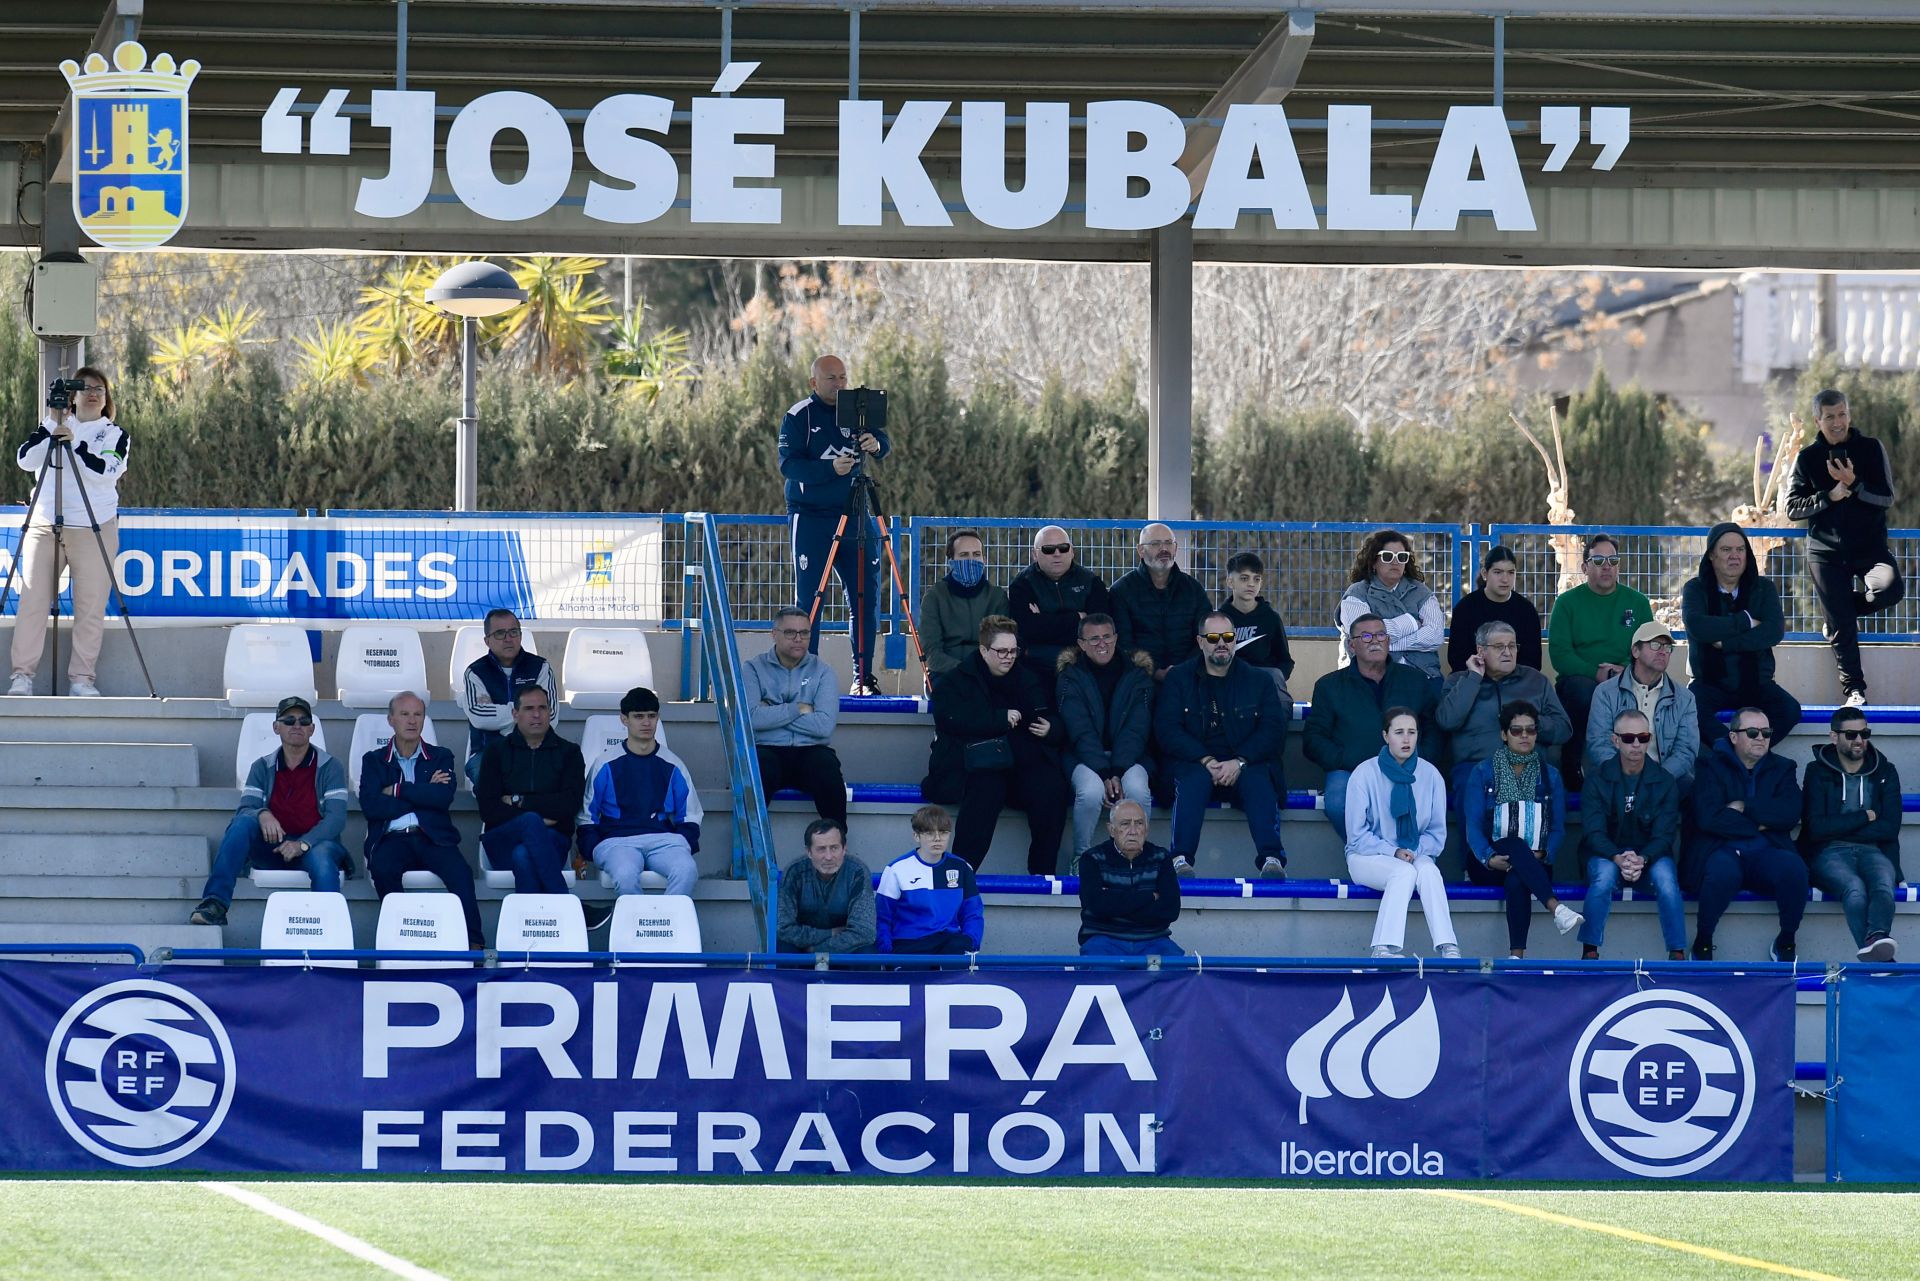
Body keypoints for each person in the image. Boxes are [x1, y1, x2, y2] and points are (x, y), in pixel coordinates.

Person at [10, 366, 128, 697]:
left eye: (99, 389)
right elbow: (25, 460)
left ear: (106, 400)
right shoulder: (54, 426)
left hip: (94, 526)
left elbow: (106, 470)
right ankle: (22, 676)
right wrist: (52, 422)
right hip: (44, 523)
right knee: (32, 600)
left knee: (90, 605)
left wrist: (74, 445)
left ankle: (81, 679)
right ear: (72, 397)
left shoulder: (115, 434)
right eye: (84, 387)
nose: (92, 393)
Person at [1785, 389, 1905, 706]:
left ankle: (1839, 614)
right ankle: (1854, 690)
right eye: (1830, 417)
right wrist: (1830, 496)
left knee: (1890, 590)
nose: (1837, 422)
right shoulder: (1807, 458)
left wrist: (1855, 486)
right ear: (1817, 420)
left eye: (1842, 414)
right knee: (1844, 628)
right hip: (1825, 554)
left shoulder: (1870, 449)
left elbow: (1886, 497)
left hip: (1870, 550)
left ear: (1848, 414)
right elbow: (1793, 508)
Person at [922, 616, 1069, 874]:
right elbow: (950, 720)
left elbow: (1051, 718)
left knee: (1051, 788)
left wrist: (1051, 729)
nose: (1009, 657)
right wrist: (999, 719)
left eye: (1013, 651)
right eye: (1001, 651)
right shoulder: (957, 681)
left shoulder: (1027, 678)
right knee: (986, 787)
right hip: (971, 765)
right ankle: (961, 874)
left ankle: (1042, 874)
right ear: (983, 650)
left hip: (1019, 765)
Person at [779, 353, 890, 695]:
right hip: (811, 518)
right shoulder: (799, 415)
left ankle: (863, 678)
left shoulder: (857, 407)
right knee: (811, 599)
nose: (840, 383)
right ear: (814, 382)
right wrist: (830, 469)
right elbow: (788, 465)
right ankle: (804, 679)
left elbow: (883, 443)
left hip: (856, 515)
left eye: (843, 376)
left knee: (864, 597)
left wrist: (876, 444)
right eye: (831, 378)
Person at [189, 695, 347, 927]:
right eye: (289, 720)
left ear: (312, 729)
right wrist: (262, 813)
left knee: (323, 859)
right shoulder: (261, 766)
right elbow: (245, 809)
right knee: (242, 824)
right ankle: (215, 904)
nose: (297, 726)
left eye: (304, 721)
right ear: (276, 727)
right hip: (272, 847)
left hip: (315, 846)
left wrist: (302, 844)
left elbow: (336, 819)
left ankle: (332, 931)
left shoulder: (330, 766)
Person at [1156, 610, 1290, 878]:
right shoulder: (1178, 679)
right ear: (1200, 641)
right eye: (1213, 637)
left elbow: (1272, 730)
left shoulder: (1259, 680)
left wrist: (1239, 761)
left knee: (1258, 778)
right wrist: (1205, 760)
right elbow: (1167, 729)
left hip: (1243, 765)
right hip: (1195, 763)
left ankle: (1271, 860)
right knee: (1192, 779)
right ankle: (1180, 860)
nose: (1222, 643)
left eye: (1228, 637)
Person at [360, 691, 484, 949]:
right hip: (391, 837)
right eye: (404, 714)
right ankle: (399, 939)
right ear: (390, 719)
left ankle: (474, 944)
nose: (412, 721)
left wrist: (396, 789)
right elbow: (372, 806)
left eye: (417, 714)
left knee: (461, 874)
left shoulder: (441, 756)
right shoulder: (373, 760)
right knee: (382, 870)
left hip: (433, 837)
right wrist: (423, 789)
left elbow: (442, 798)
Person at [1462, 701, 1580, 958]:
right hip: (1488, 862)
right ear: (1504, 734)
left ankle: (1516, 957)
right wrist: (1490, 859)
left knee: (1518, 875)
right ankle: (1556, 908)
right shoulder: (1482, 773)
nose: (1525, 736)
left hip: (1536, 861)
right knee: (1515, 844)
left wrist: (1542, 854)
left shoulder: (1550, 776)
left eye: (1531, 729)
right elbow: (1472, 827)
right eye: (1516, 730)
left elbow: (1558, 829)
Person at [1687, 707, 1806, 962]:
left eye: (1766, 732)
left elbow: (1790, 812)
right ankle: (1703, 942)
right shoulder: (1708, 765)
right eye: (1752, 732)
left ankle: (1786, 940)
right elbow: (1708, 818)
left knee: (1794, 869)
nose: (1761, 738)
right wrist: (1762, 822)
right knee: (1722, 874)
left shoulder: (1783, 767)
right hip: (1721, 849)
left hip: (1766, 851)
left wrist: (1743, 808)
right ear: (1733, 737)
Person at [1342, 706, 1460, 960]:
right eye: (1399, 732)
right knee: (1403, 872)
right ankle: (1384, 948)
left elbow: (1436, 833)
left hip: (1414, 851)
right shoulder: (1365, 774)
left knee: (1429, 871)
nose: (1406, 739)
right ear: (1386, 736)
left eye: (1412, 732)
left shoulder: (1430, 775)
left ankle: (1448, 946)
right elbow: (1357, 835)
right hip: (1367, 856)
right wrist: (1393, 851)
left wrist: (1414, 851)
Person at [1305, 614, 1437, 839]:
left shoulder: (1415, 680)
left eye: (1380, 634)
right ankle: (1370, 854)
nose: (1374, 640)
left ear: (1388, 641)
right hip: (1350, 771)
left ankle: (1396, 857)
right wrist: (1345, 759)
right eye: (1365, 636)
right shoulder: (1329, 686)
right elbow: (1313, 738)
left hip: (1406, 768)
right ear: (1351, 645)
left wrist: (1419, 757)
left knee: (1424, 804)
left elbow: (1432, 729)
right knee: (1338, 802)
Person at [1578, 710, 1686, 962]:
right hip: (1607, 854)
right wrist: (1618, 857)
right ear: (1615, 740)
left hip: (1650, 855)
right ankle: (1589, 952)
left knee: (1668, 882)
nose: (1636, 743)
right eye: (1628, 738)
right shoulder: (1596, 780)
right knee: (1603, 878)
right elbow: (1593, 832)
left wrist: (1643, 859)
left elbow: (1665, 834)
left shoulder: (1665, 780)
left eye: (1643, 737)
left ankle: (1677, 953)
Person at [1681, 523, 1800, 746]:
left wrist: (1726, 643)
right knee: (1686, 711)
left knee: (1790, 710)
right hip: (1709, 683)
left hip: (1756, 682)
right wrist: (1745, 620)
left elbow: (1773, 631)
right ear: (1711, 556)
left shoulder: (1763, 588)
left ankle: (1747, 753)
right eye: (1726, 550)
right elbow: (1699, 627)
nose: (1734, 556)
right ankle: (1735, 754)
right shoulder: (1695, 589)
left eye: (1740, 549)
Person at [1547, 533, 1652, 786]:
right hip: (1582, 681)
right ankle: (1572, 769)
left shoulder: (1637, 602)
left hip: (1627, 677)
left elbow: (1648, 648)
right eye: (1598, 560)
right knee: (1582, 692)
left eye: (1613, 560)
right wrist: (1596, 673)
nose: (1607, 565)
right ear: (1584, 567)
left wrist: (1624, 671)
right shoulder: (1566, 603)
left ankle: (1642, 771)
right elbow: (1560, 655)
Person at [578, 687, 701, 897]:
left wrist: (682, 840)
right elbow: (586, 817)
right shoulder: (604, 764)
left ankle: (667, 924)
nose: (646, 723)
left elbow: (690, 815)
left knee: (686, 870)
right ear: (624, 720)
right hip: (617, 841)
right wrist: (593, 846)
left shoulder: (673, 764)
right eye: (638, 716)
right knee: (625, 874)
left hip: (663, 840)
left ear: (658, 718)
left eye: (651, 716)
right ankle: (636, 928)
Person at [1801, 707, 1902, 962]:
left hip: (1873, 850)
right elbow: (1816, 828)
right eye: (1851, 734)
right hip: (1828, 852)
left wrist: (1841, 825)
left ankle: (1875, 940)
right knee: (1854, 889)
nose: (1859, 740)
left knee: (1882, 885)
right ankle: (1882, 960)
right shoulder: (1817, 771)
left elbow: (1890, 826)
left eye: (1864, 733)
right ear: (1834, 737)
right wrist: (1862, 817)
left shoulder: (1885, 771)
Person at [474, 685, 587, 897]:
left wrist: (519, 801)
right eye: (529, 708)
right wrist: (537, 818)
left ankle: (524, 927)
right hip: (502, 840)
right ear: (515, 714)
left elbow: (569, 804)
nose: (536, 715)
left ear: (550, 711)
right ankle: (569, 905)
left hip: (554, 840)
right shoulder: (496, 752)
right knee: (530, 823)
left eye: (542, 708)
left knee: (523, 855)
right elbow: (489, 809)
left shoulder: (569, 753)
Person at [1056, 613, 1155, 855]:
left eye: (1107, 637)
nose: (1102, 644)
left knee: (1138, 790)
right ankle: (1082, 857)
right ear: (1081, 644)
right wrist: (1104, 772)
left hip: (1129, 757)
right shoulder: (1070, 677)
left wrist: (1118, 771)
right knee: (1091, 792)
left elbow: (1136, 729)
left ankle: (1137, 855)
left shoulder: (1137, 674)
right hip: (1084, 757)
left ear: (1116, 638)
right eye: (1094, 639)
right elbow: (1080, 731)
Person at [743, 606, 846, 826]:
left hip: (809, 751)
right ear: (774, 634)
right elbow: (751, 719)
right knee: (758, 767)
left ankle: (837, 846)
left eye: (805, 633)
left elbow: (824, 726)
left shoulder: (823, 671)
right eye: (790, 632)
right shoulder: (752, 669)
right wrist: (798, 708)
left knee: (826, 767)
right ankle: (749, 850)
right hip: (768, 750)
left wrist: (772, 710)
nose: (798, 639)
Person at [1434, 620, 1570, 773]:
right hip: (1476, 769)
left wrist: (1531, 722)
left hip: (1528, 768)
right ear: (1481, 651)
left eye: (1512, 646)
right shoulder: (1459, 681)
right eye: (1499, 647)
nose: (1508, 652)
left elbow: (1563, 729)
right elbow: (1446, 721)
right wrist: (1473, 678)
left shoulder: (1536, 680)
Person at [1584, 622, 1700, 793]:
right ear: (1635, 651)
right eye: (1655, 645)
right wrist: (1627, 777)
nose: (1663, 651)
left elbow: (1686, 749)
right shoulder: (1606, 692)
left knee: (1693, 788)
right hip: (1618, 775)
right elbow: (1598, 743)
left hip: (1664, 776)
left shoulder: (1685, 698)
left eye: (1668, 647)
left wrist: (1658, 777)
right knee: (1597, 785)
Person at [458, 608, 557, 786]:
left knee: (559, 775)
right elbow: (480, 717)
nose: (508, 638)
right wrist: (526, 711)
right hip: (487, 752)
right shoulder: (475, 672)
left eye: (513, 632)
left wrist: (501, 714)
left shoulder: (540, 667)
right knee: (490, 777)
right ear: (487, 640)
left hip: (535, 748)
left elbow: (550, 716)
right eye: (500, 633)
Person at [1336, 529, 1445, 684]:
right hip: (1369, 677)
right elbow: (1365, 636)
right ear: (1373, 561)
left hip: (1423, 673)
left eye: (1401, 557)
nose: (1395, 562)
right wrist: (1411, 623)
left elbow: (1435, 635)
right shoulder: (1357, 593)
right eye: (1387, 557)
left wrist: (1389, 643)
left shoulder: (1422, 592)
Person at [1076, 800, 1182, 957]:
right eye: (1125, 824)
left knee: (1176, 971)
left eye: (1139, 823)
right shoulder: (1092, 859)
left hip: (1154, 940)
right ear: (1111, 830)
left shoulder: (1161, 857)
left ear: (1146, 829)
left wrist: (1114, 904)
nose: (1133, 830)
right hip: (1105, 940)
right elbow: (1097, 906)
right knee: (1099, 972)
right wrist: (1150, 897)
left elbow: (1170, 910)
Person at [875, 805, 984, 955]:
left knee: (957, 949)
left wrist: (971, 941)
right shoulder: (896, 869)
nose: (937, 838)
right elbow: (883, 917)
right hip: (909, 943)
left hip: (948, 941)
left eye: (943, 832)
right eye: (929, 833)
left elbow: (972, 913)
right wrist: (886, 953)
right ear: (916, 836)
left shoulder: (962, 867)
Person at [1007, 525, 1110, 685]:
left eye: (1063, 548)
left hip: (1083, 658)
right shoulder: (1022, 585)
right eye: (1048, 549)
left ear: (1072, 551)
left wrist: (1044, 620)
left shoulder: (1091, 582)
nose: (1057, 554)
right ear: (1035, 554)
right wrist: (1078, 617)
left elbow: (1099, 627)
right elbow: (1028, 629)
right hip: (1036, 662)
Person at [1109, 522, 1209, 680]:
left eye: (1169, 543)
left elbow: (1205, 636)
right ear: (1140, 550)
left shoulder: (1193, 589)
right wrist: (1154, 672)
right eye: (1156, 544)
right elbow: (1123, 643)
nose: (1164, 549)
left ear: (1175, 548)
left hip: (1190, 677)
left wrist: (1183, 670)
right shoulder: (1122, 591)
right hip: (1139, 680)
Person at [918, 529, 1010, 677]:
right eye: (964, 555)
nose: (971, 560)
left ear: (984, 560)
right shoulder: (935, 597)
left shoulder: (997, 597)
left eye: (976, 554)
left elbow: (1004, 646)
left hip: (989, 674)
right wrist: (965, 670)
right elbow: (932, 653)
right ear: (951, 561)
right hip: (947, 674)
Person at [776, 819, 876, 953]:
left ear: (844, 849)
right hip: (801, 948)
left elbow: (864, 932)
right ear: (809, 852)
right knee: (783, 948)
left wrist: (817, 950)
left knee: (866, 951)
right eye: (821, 849)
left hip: (839, 949)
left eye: (834, 848)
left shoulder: (858, 872)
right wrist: (830, 933)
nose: (828, 857)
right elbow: (782, 928)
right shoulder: (794, 872)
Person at [1447, 545, 1542, 674]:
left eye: (1511, 572)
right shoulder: (1466, 608)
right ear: (1485, 573)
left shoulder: (1526, 610)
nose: (1505, 579)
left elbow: (1533, 661)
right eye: (1498, 572)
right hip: (1475, 678)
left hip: (1515, 682)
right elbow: (1457, 658)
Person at [1219, 551, 1295, 696]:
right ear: (1230, 582)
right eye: (1244, 578)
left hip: (1265, 684)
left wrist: (1273, 678)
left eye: (1256, 579)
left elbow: (1285, 661)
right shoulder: (1219, 620)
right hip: (1229, 685)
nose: (1251, 584)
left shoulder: (1271, 618)